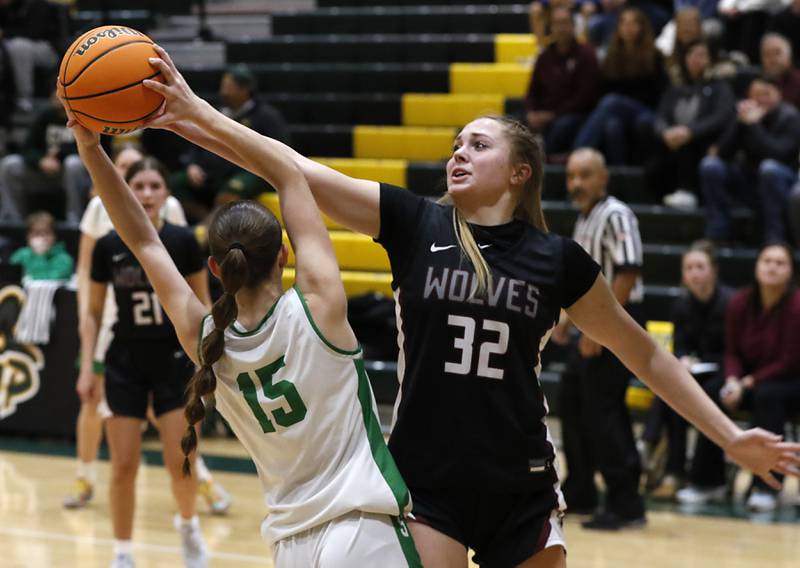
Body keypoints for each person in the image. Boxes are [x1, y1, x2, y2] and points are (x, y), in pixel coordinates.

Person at [142, 44, 800, 567]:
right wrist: (195, 114)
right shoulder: (411, 222)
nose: (459, 152)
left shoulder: (557, 261)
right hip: (426, 483)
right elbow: (290, 170)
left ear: (521, 172)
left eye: (479, 145)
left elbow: (647, 356)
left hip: (523, 481)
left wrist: (730, 435)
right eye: (456, 144)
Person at [62, 58, 423, 567]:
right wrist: (198, 112)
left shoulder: (206, 340)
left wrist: (89, 147)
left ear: (213, 266)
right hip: (363, 533)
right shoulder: (320, 305)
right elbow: (287, 170)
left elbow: (143, 239)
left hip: (289, 545)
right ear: (285, 254)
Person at [64, 145, 232, 517]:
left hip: (164, 333)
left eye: (154, 184)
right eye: (132, 179)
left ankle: (197, 476)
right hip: (113, 319)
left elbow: (197, 295)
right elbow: (86, 269)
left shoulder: (173, 220)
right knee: (95, 403)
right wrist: (85, 346)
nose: (145, 193)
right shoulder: (99, 213)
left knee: (171, 419)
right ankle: (85, 474)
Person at [551, 148, 647, 530]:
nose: (576, 184)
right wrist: (565, 323)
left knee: (605, 411)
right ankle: (582, 489)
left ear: (603, 178)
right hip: (594, 321)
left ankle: (627, 504)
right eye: (572, 176)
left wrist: (603, 332)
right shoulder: (585, 219)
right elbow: (585, 285)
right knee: (573, 402)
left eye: (585, 175)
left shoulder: (616, 214)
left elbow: (627, 273)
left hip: (617, 321)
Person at [677, 242, 800, 513]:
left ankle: (766, 488)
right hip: (747, 380)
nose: (772, 267)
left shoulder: (796, 305)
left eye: (780, 263)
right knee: (712, 391)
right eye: (767, 260)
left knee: (769, 396)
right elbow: (731, 351)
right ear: (756, 266)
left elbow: (788, 361)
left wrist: (746, 383)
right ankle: (707, 481)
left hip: (788, 382)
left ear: (790, 271)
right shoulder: (740, 302)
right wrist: (733, 380)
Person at [640, 240, 733, 499]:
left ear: (713, 270)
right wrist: (682, 360)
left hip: (724, 371)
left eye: (700, 267)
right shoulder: (681, 305)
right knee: (673, 392)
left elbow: (735, 350)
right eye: (689, 267)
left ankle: (651, 443)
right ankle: (674, 471)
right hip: (696, 371)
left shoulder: (730, 302)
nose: (694, 273)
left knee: (707, 394)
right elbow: (680, 346)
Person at [170, 64, 291, 223]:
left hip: (250, 170)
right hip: (213, 171)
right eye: (223, 86)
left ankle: (209, 232)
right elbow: (196, 142)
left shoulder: (267, 117)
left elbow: (282, 152)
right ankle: (206, 223)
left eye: (229, 87)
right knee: (174, 183)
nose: (223, 92)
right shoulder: (216, 111)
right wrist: (192, 164)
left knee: (230, 192)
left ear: (245, 90)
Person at [699, 75, 800, 244]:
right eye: (755, 94)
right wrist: (739, 123)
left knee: (769, 169)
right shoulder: (745, 116)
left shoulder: (790, 117)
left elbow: (778, 154)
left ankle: (774, 238)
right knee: (710, 166)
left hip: (782, 183)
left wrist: (754, 126)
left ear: (779, 95)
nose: (760, 99)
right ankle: (718, 232)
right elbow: (721, 152)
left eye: (766, 94)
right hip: (749, 180)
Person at [646, 40, 736, 208]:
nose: (696, 59)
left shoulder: (719, 86)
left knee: (687, 146)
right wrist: (665, 132)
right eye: (692, 55)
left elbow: (721, 117)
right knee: (653, 165)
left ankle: (688, 192)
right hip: (673, 143)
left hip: (704, 145)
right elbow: (660, 115)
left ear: (711, 60)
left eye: (701, 55)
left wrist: (690, 131)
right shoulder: (675, 87)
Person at [573, 7, 667, 165]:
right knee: (612, 125)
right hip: (619, 112)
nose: (628, 28)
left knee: (612, 102)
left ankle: (577, 152)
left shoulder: (654, 55)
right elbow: (604, 89)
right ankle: (620, 173)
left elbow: (660, 93)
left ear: (642, 27)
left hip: (647, 111)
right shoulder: (612, 55)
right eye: (624, 24)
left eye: (633, 24)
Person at [0, 86, 93, 224]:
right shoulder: (45, 116)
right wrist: (40, 161)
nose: (57, 97)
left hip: (67, 173)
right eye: (55, 93)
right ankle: (13, 220)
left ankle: (75, 220)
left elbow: (88, 149)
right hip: (41, 171)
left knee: (73, 163)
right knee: (10, 164)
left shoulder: (81, 118)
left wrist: (60, 155)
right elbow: (27, 148)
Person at [525, 5, 600, 155]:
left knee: (563, 126)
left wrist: (552, 115)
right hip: (544, 113)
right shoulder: (544, 56)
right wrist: (532, 112)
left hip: (574, 114)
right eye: (557, 23)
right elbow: (532, 90)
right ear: (550, 27)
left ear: (573, 26)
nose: (561, 28)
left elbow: (584, 98)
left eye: (565, 23)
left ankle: (547, 166)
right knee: (512, 123)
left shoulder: (586, 54)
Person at [0, 0, 64, 112]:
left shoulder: (37, 4)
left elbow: (33, 33)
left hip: (48, 49)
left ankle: (25, 97)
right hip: (12, 45)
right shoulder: (9, 7)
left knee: (19, 47)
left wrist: (5, 33)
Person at [9, 211, 73, 280]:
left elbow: (53, 277)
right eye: (37, 233)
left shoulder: (64, 259)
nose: (42, 238)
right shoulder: (20, 255)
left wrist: (40, 256)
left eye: (47, 233)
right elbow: (10, 275)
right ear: (28, 236)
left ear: (54, 236)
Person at [760, 33, 800, 109]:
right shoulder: (759, 82)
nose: (772, 59)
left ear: (789, 55)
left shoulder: (798, 82)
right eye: (767, 54)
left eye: (777, 53)